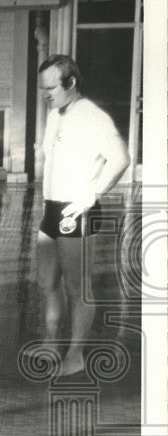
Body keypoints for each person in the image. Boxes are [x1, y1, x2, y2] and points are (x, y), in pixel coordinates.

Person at [36, 54, 130, 376]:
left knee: (77, 287)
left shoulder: (93, 116)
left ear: (71, 82)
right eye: (43, 89)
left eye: (51, 88)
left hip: (77, 210)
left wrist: (92, 195)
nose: (46, 94)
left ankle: (75, 355)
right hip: (52, 208)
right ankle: (50, 343)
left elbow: (120, 158)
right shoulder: (55, 114)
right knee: (47, 281)